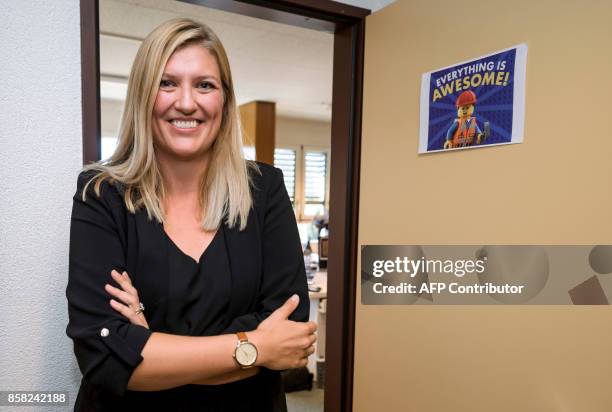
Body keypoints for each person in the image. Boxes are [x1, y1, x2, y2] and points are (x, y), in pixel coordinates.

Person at [65, 18, 316, 411]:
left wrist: (149, 343)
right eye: (167, 83)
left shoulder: (264, 190)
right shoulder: (101, 194)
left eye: (205, 85)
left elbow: (291, 337)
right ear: (143, 96)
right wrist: (254, 346)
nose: (186, 102)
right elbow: (105, 356)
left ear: (225, 100)